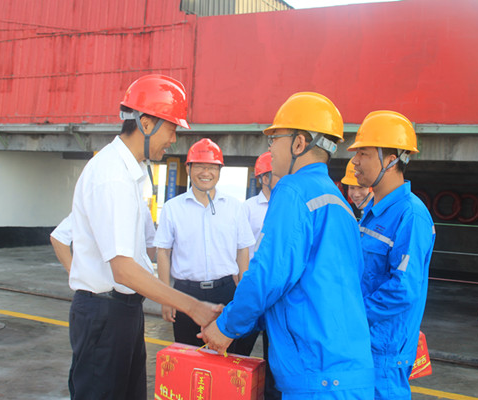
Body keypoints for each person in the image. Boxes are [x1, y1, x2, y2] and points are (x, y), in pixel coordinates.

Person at [200, 92, 374, 399]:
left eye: (274, 139)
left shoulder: (293, 190)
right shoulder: (342, 205)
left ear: (298, 143)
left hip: (315, 373)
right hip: (348, 370)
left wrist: (226, 327)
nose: (270, 147)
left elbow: (268, 275)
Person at [66, 74, 222, 400]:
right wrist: (192, 306)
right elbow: (123, 270)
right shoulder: (112, 176)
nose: (173, 140)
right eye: (172, 129)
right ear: (146, 123)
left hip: (123, 311)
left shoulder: (131, 174)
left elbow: (139, 254)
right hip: (105, 314)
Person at [347, 110, 436, 400]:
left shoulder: (411, 215)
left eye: (363, 153)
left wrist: (352, 315)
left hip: (384, 352)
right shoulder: (373, 212)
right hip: (364, 342)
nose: (355, 161)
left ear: (391, 160)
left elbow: (403, 289)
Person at [155, 138, 257, 355]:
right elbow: (163, 252)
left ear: (219, 171)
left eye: (212, 167)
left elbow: (243, 250)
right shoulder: (173, 208)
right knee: (188, 356)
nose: (206, 172)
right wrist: (166, 297)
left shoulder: (235, 208)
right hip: (185, 294)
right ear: (188, 168)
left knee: (225, 356)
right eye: (200, 166)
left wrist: (243, 293)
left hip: (225, 293)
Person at [242, 151, 281, 400]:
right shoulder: (247, 209)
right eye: (276, 175)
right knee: (240, 348)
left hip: (276, 293)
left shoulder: (287, 207)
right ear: (263, 178)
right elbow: (240, 250)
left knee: (274, 354)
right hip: (253, 289)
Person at [50, 204, 157, 274]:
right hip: (98, 294)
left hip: (133, 292)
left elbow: (150, 243)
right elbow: (59, 237)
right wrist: (74, 274)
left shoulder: (141, 206)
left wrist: (140, 275)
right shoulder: (96, 203)